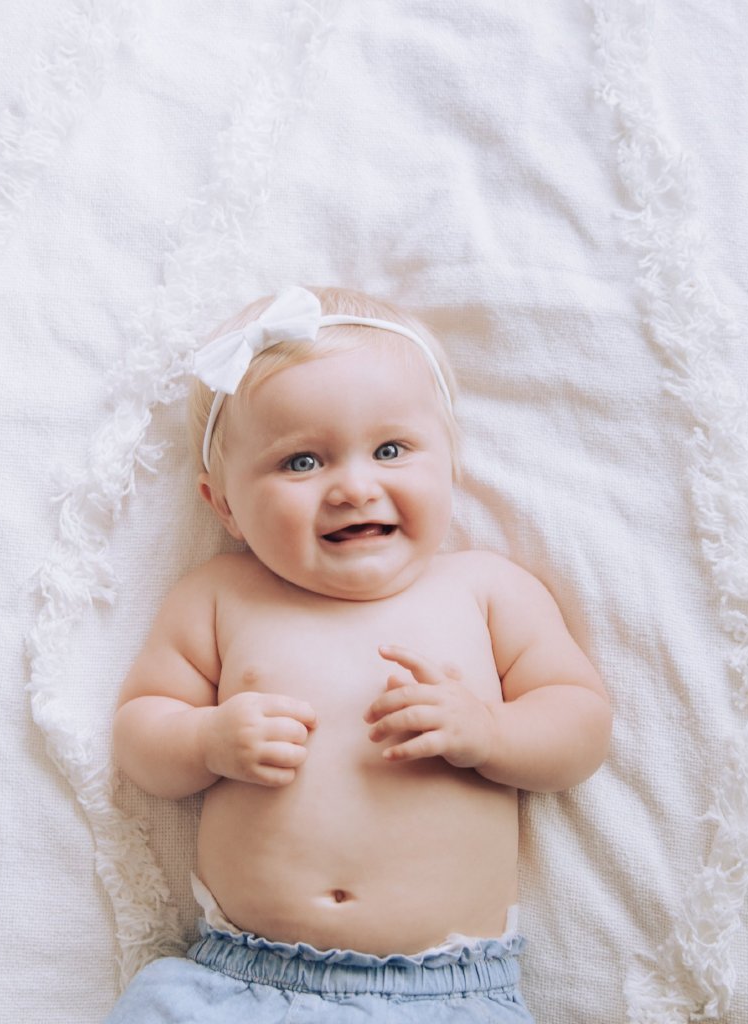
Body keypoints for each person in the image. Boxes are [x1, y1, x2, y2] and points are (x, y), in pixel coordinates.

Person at [105, 285, 611, 1022]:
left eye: (391, 450)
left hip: (446, 993)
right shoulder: (220, 595)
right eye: (302, 462)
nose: (353, 485)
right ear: (225, 508)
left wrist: (491, 731)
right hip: (236, 982)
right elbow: (140, 735)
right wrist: (207, 738)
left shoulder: (487, 590)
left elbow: (581, 725)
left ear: (450, 465)